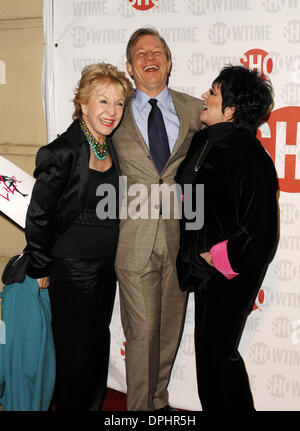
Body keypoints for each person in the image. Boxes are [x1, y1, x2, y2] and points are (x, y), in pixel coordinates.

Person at [23, 63, 133, 411]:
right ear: (83, 104)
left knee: (98, 344)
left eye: (118, 103)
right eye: (103, 102)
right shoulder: (62, 151)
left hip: (106, 265)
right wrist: (40, 267)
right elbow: (38, 216)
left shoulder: (112, 148)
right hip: (71, 267)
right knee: (73, 351)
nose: (111, 112)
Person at [175, 65, 279, 411]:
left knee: (219, 356)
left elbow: (263, 232)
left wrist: (220, 256)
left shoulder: (250, 154)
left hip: (232, 273)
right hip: (205, 271)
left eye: (213, 93)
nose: (204, 97)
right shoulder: (204, 140)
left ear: (231, 110)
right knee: (208, 357)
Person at [112, 27, 203, 411]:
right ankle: (137, 411)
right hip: (133, 242)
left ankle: (159, 402)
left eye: (157, 52)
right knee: (143, 334)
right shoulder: (114, 110)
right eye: (140, 53)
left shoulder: (194, 109)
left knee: (168, 334)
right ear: (130, 67)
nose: (150, 57)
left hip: (179, 240)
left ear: (168, 62)